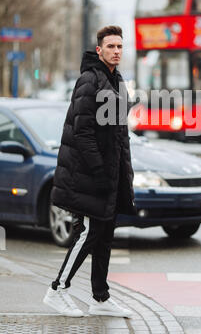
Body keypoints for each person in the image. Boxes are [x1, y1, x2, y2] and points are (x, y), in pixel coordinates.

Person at [43, 25, 137, 318]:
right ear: (99, 50)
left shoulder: (117, 80)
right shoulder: (89, 80)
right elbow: (82, 133)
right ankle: (57, 290)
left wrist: (124, 174)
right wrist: (99, 170)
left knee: (104, 234)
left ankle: (100, 298)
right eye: (111, 46)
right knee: (85, 234)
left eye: (120, 46)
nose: (116, 51)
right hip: (87, 176)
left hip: (110, 174)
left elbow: (120, 134)